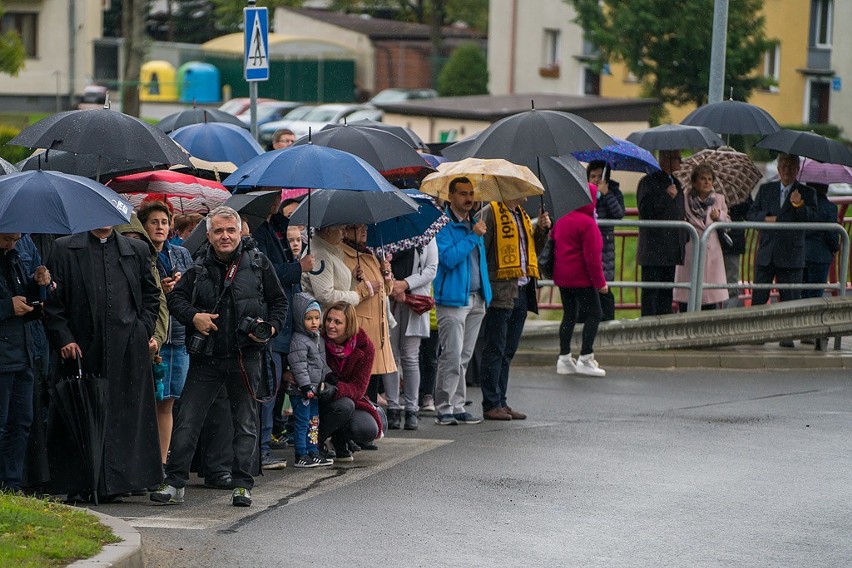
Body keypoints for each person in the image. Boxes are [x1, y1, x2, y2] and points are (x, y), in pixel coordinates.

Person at [152, 206, 288, 508]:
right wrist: (194, 317)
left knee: (245, 423)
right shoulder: (198, 265)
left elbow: (280, 302)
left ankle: (242, 485)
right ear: (209, 235)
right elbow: (175, 299)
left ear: (240, 232)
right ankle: (174, 482)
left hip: (245, 355)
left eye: (230, 230)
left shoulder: (258, 262)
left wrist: (271, 328)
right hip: (207, 357)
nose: (225, 236)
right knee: (187, 420)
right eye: (218, 231)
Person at [45, 224, 162, 501]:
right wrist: (64, 338)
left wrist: (142, 329)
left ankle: (121, 482)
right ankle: (81, 483)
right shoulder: (64, 248)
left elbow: (151, 295)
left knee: (124, 415)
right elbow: (52, 302)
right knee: (83, 412)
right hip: (82, 349)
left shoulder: (136, 249)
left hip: (127, 348)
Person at [253, 198, 314, 468]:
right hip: (275, 327)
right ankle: (268, 448)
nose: (276, 201)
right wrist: (299, 268)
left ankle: (294, 443)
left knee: (286, 393)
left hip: (288, 328)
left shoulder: (278, 227)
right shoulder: (258, 232)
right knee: (270, 389)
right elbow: (268, 273)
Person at [478, 199, 550, 421]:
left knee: (508, 350)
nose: (526, 194)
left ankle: (501, 401)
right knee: (495, 348)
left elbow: (532, 251)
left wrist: (541, 231)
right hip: (500, 291)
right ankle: (491, 403)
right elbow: (483, 250)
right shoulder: (490, 212)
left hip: (522, 289)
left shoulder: (522, 214)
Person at [138, 201, 195, 467]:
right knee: (146, 401)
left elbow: (195, 288)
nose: (160, 227)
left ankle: (161, 462)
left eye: (164, 222)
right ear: (144, 225)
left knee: (169, 401)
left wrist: (181, 288)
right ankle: (144, 460)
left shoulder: (181, 254)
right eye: (154, 222)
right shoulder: (139, 253)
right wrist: (159, 289)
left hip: (179, 336)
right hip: (151, 337)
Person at [434, 177, 490, 426]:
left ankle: (457, 405)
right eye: (463, 194)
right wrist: (473, 237)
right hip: (453, 299)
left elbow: (480, 263)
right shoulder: (442, 225)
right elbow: (448, 258)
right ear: (451, 196)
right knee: (452, 355)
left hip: (477, 297)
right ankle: (444, 407)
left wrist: (486, 293)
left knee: (464, 356)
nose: (469, 198)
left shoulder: (474, 223)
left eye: (471, 193)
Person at [0, 233, 50, 492]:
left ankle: (12, 485)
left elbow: (32, 303)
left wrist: (40, 284)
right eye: (7, 238)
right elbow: (10, 302)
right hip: (3, 356)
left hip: (24, 352)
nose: (12, 244)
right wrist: (8, 307)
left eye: (17, 239)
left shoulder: (17, 255)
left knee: (21, 422)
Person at [340, 224, 397, 422]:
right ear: (345, 231)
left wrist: (387, 274)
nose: (363, 231)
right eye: (357, 227)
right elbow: (347, 294)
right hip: (361, 327)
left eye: (364, 227)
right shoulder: (345, 256)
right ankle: (361, 426)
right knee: (361, 381)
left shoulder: (370, 254)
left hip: (377, 329)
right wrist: (364, 288)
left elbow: (386, 292)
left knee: (372, 380)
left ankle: (371, 425)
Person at [746, 153, 817, 312]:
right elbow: (751, 214)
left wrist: (799, 205)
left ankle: (787, 338)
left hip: (791, 256)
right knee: (757, 303)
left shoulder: (807, 193)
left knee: (789, 305)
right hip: (766, 256)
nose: (787, 169)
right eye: (784, 165)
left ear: (798, 169)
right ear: (778, 168)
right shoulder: (766, 189)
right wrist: (766, 219)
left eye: (791, 166)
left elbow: (813, 220)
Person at [552, 184, 607, 377]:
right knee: (595, 313)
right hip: (582, 278)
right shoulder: (587, 223)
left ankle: (564, 358)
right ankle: (586, 356)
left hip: (562, 277)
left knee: (569, 315)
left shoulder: (562, 219)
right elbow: (592, 258)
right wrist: (600, 283)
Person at [319, 302, 382, 461]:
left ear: (349, 325)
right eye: (328, 320)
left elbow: (359, 388)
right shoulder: (318, 340)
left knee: (367, 429)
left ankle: (340, 439)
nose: (330, 325)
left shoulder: (365, 347)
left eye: (337, 322)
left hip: (350, 399)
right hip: (319, 396)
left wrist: (336, 389)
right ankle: (315, 443)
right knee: (344, 406)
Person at [387, 239, 438, 430]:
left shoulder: (427, 234)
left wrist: (405, 284)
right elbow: (380, 260)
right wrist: (392, 286)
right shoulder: (390, 229)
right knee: (391, 356)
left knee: (410, 356)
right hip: (390, 299)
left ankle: (411, 409)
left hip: (415, 298)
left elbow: (431, 269)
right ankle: (392, 407)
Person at [673, 165, 730, 311]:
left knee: (709, 299)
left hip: (711, 253)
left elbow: (728, 225)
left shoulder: (718, 199)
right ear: (694, 181)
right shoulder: (684, 197)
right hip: (690, 251)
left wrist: (719, 216)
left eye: (710, 179)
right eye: (702, 179)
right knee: (688, 297)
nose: (707, 182)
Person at [637, 150, 686, 316]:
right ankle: (647, 330)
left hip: (671, 249)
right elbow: (645, 210)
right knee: (651, 293)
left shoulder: (676, 183)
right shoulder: (648, 182)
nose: (681, 161)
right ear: (666, 159)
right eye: (678, 158)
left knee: (666, 294)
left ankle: (663, 327)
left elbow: (679, 211)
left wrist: (683, 236)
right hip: (654, 249)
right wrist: (666, 196)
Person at [287, 293, 333, 468]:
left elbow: (321, 363)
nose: (314, 322)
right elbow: (299, 366)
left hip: (314, 391)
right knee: (302, 422)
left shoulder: (317, 338)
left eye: (316, 318)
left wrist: (328, 376)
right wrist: (305, 386)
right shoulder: (299, 340)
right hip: (302, 391)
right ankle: (301, 453)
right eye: (309, 319)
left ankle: (313, 450)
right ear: (300, 320)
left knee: (314, 422)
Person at [302, 225, 375, 314]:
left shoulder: (329, 249)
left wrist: (353, 280)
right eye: (341, 229)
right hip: (323, 321)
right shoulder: (320, 254)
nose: (345, 233)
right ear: (328, 230)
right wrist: (357, 296)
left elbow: (337, 286)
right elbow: (326, 296)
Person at [587, 160, 625, 321]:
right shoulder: (584, 191)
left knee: (604, 285)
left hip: (605, 245)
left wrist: (607, 194)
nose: (596, 179)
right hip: (587, 243)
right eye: (592, 176)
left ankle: (606, 321)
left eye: (599, 176)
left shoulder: (613, 190)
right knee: (588, 286)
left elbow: (618, 213)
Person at [802, 183, 839, 300]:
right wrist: (835, 248)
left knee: (802, 294)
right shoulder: (830, 207)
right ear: (826, 187)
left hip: (800, 254)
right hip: (820, 256)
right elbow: (831, 234)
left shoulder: (802, 206)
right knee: (816, 296)